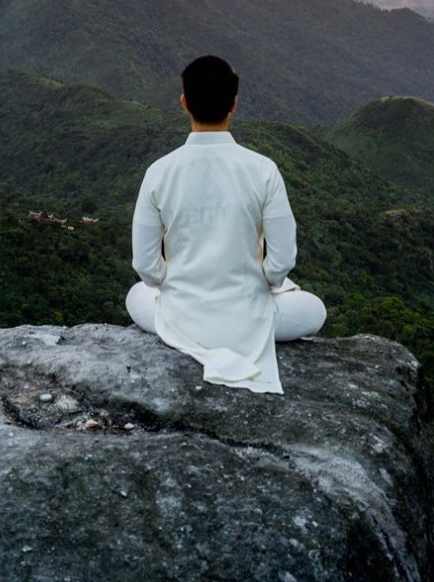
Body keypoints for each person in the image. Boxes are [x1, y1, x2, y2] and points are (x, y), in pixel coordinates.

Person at [124, 54, 327, 393]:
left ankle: (189, 328)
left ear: (184, 103)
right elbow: (282, 260)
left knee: (136, 295)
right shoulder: (263, 169)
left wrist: (175, 284)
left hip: (181, 313)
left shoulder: (159, 172)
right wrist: (262, 282)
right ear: (234, 103)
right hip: (248, 314)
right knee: (314, 310)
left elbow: (145, 265)